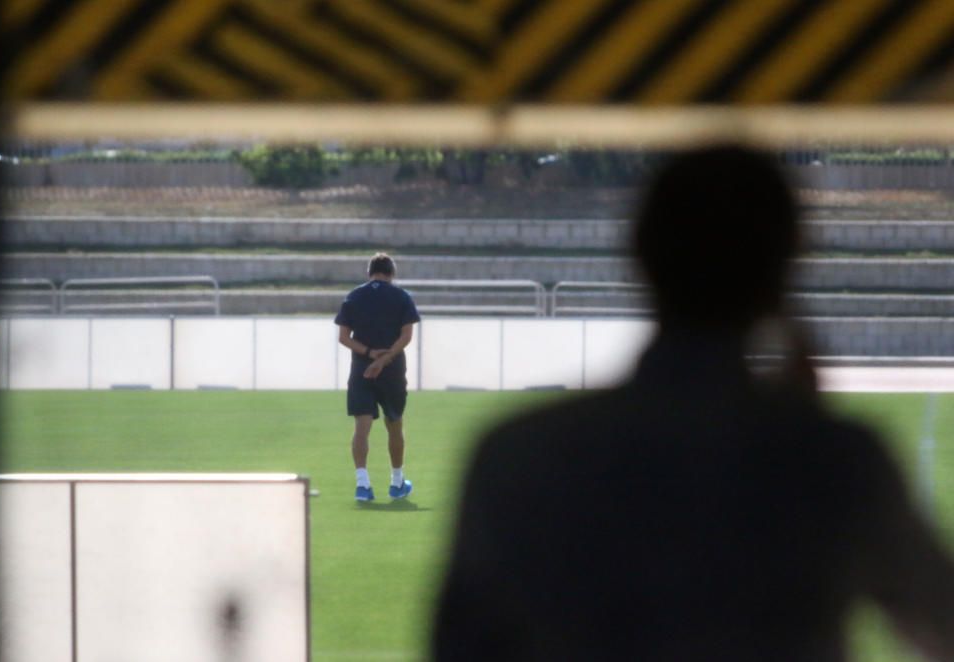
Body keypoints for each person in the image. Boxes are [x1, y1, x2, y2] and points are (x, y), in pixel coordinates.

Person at [433, 144, 954, 660]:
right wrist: (810, 439)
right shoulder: (840, 462)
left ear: (639, 252)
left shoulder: (518, 456)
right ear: (786, 266)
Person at [335, 252, 420, 502]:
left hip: (362, 368)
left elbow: (343, 337)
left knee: (362, 426)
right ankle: (397, 482)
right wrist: (384, 359)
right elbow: (406, 336)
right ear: (391, 273)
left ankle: (363, 485)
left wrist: (371, 354)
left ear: (369, 272)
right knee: (394, 423)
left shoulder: (354, 296)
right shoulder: (402, 296)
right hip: (392, 370)